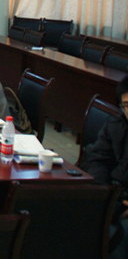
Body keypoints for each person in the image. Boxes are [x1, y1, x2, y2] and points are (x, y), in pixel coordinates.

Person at [81, 76, 128, 257]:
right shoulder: (116, 126)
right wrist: (106, 193)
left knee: (119, 236)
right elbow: (97, 160)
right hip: (112, 195)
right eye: (126, 105)